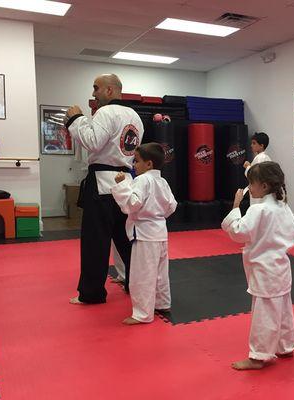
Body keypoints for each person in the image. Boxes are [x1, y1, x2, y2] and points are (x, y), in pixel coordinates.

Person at [65, 74, 144, 304]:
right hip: (125, 184)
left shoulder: (106, 112)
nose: (93, 93)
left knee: (95, 241)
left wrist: (76, 119)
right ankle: (136, 285)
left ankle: (92, 294)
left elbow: (92, 142)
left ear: (110, 90)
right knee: (125, 239)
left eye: (96, 88)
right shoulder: (135, 117)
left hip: (102, 183)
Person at [222, 162, 294, 370]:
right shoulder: (283, 207)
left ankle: (258, 356)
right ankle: (285, 346)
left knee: (264, 313)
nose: (249, 188)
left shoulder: (259, 210)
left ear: (264, 186)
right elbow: (293, 233)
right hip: (281, 266)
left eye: (251, 184)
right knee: (283, 308)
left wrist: (236, 207)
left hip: (265, 269)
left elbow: (239, 233)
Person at [112, 143, 177, 324]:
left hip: (144, 234)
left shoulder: (142, 180)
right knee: (160, 272)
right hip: (160, 232)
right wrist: (157, 215)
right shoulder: (162, 181)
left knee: (142, 275)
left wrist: (122, 185)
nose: (134, 165)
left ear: (149, 164)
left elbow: (132, 204)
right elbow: (172, 206)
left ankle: (142, 313)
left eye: (137, 161)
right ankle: (162, 303)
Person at [240, 132, 271, 215]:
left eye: (254, 143)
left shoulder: (260, 158)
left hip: (259, 189)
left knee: (257, 210)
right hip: (262, 190)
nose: (251, 145)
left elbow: (256, 176)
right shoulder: (265, 157)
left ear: (261, 145)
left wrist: (247, 167)